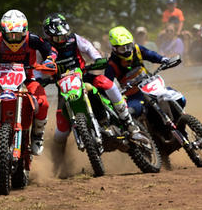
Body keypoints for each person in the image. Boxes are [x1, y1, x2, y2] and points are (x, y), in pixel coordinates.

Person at [0, 10, 57, 163]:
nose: (14, 39)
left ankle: (37, 135)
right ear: (3, 32)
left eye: (17, 35)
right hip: (2, 82)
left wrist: (49, 60)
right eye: (10, 35)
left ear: (25, 31)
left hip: (28, 79)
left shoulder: (31, 39)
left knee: (43, 102)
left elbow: (49, 49)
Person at [41, 14, 142, 153]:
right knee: (61, 132)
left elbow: (88, 48)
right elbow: (37, 66)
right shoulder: (43, 47)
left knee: (108, 84)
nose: (62, 40)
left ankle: (127, 120)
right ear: (48, 36)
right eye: (58, 38)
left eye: (64, 36)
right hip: (63, 86)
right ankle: (58, 162)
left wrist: (97, 58)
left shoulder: (74, 38)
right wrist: (38, 78)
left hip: (83, 76)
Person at [103, 26, 179, 120]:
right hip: (133, 94)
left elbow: (150, 54)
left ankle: (182, 119)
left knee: (174, 96)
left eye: (129, 46)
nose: (127, 51)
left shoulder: (137, 49)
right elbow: (107, 84)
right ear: (114, 49)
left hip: (150, 85)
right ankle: (144, 132)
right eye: (122, 49)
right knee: (132, 111)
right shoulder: (111, 64)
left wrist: (163, 59)